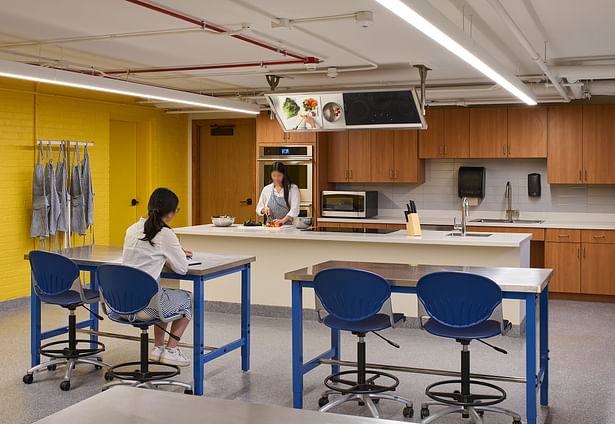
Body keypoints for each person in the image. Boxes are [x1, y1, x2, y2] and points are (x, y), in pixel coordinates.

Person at [122, 187, 193, 367]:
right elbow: (182, 268)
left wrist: (165, 254)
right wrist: (169, 256)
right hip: (144, 307)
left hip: (121, 304)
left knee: (159, 294)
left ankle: (158, 348)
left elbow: (145, 253)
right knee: (190, 297)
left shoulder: (131, 229)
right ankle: (171, 350)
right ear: (170, 213)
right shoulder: (166, 234)